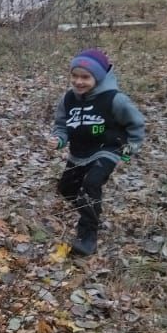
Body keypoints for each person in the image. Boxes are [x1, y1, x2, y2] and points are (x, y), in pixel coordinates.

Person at [52, 48, 145, 257]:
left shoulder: (114, 99)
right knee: (66, 189)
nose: (78, 82)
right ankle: (92, 211)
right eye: (74, 76)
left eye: (85, 77)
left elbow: (136, 124)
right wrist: (59, 138)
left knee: (91, 185)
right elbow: (61, 125)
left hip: (108, 149)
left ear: (99, 77)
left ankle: (87, 237)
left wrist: (131, 147)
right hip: (79, 152)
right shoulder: (68, 99)